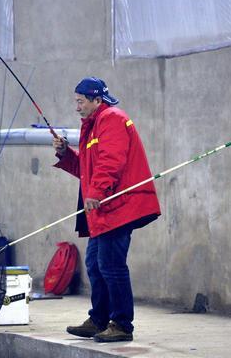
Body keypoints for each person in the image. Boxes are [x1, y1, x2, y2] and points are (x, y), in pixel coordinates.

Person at [52, 77, 161, 343]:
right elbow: (88, 170)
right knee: (94, 264)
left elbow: (112, 161)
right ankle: (99, 319)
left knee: (111, 265)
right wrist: (66, 153)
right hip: (103, 210)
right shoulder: (92, 126)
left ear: (96, 100)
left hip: (119, 207)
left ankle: (122, 324)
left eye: (80, 101)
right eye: (75, 101)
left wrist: (97, 192)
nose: (76, 107)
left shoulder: (111, 119)